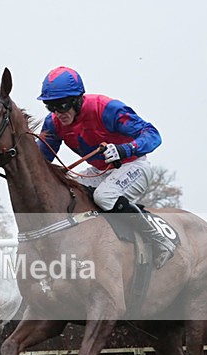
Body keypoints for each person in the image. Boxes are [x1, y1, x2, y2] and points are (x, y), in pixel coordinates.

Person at [36, 66, 175, 268]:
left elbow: (153, 135)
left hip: (132, 165)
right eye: (51, 106)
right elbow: (42, 159)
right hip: (99, 171)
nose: (58, 113)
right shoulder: (53, 123)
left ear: (77, 99)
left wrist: (124, 149)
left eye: (63, 105)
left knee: (104, 196)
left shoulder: (106, 108)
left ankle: (158, 240)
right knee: (64, 191)